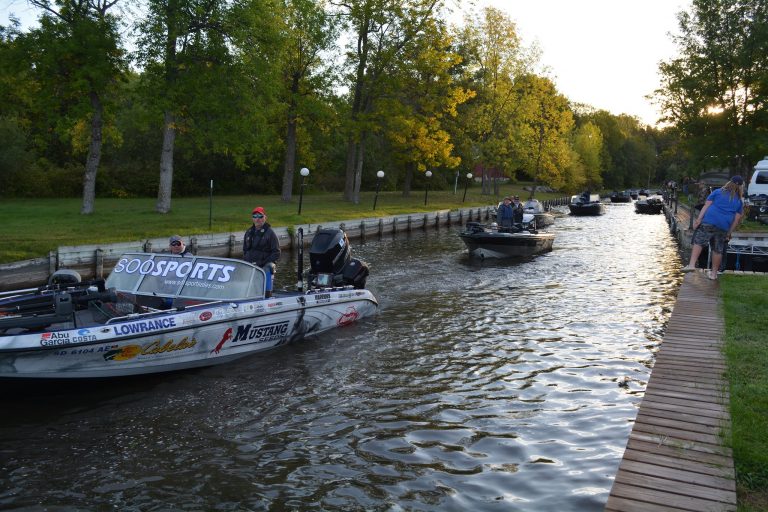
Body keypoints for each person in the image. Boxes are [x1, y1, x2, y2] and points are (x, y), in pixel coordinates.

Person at [682, 176, 745, 280]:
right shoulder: (739, 201)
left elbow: (706, 206)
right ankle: (714, 274)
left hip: (709, 221)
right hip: (723, 225)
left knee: (699, 242)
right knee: (718, 249)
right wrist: (729, 233)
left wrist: (698, 220)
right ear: (741, 187)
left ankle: (692, 265)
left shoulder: (718, 192)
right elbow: (736, 220)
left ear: (729, 183)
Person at [243, 206, 280, 296]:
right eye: (255, 216)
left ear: (265, 218)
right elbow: (245, 250)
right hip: (250, 266)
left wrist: (262, 262)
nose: (257, 219)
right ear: (252, 219)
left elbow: (276, 252)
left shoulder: (270, 233)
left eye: (260, 216)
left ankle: (266, 294)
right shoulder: (248, 232)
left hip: (263, 266)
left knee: (268, 267)